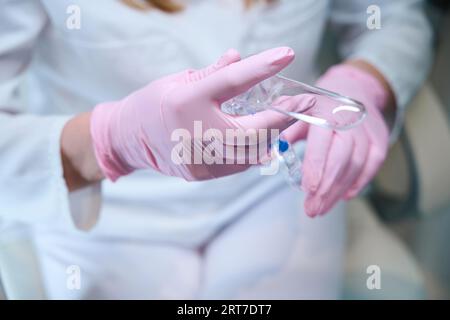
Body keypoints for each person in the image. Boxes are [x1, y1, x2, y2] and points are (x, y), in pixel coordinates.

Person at [0, 0, 432, 299]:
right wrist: (110, 138)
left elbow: (393, 17)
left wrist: (370, 79)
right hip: (115, 209)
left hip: (275, 184)